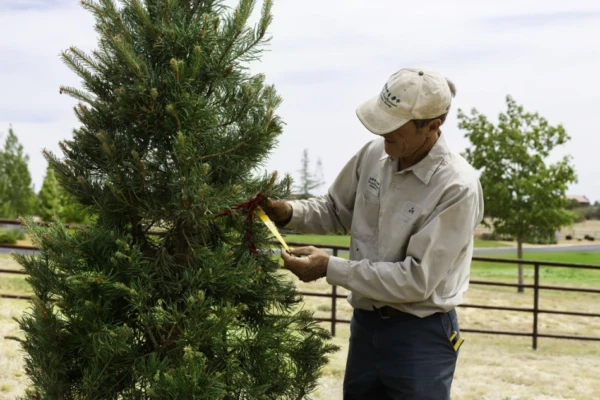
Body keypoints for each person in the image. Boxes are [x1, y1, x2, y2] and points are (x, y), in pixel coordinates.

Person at [263, 67, 484, 400]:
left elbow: (416, 280)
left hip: (420, 335)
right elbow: (336, 209)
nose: (384, 132)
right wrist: (289, 213)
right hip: (366, 325)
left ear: (432, 126)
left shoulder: (456, 187)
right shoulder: (374, 154)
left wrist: (329, 267)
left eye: (394, 125)